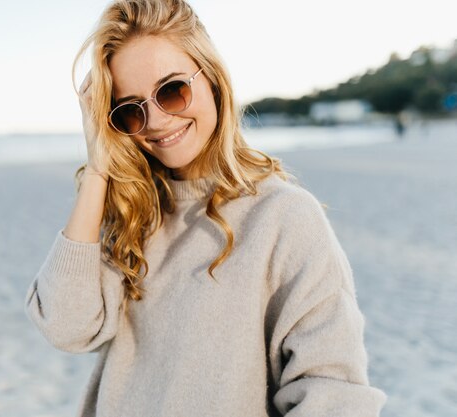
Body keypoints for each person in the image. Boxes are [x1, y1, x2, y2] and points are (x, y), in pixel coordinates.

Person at [25, 0, 387, 415]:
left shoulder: (284, 216)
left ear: (212, 78)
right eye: (130, 111)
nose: (157, 121)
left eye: (172, 91)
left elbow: (334, 392)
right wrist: (98, 170)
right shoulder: (130, 213)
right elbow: (66, 326)